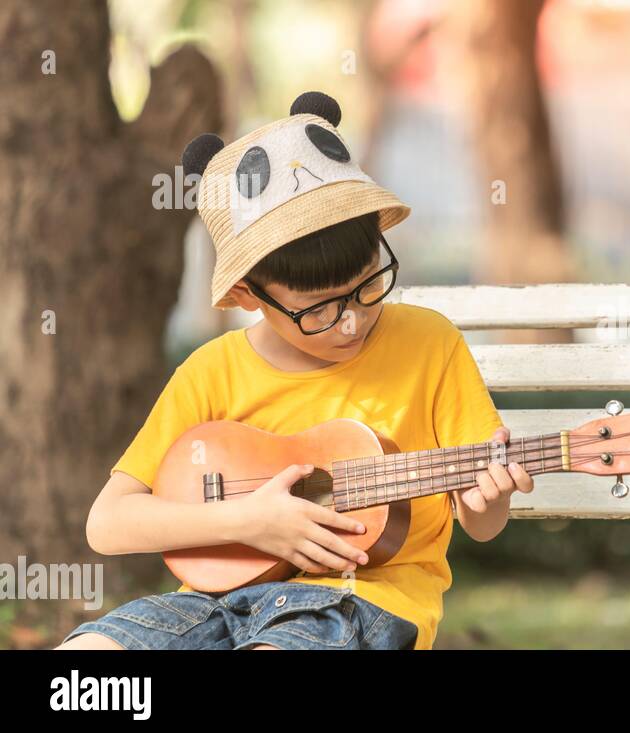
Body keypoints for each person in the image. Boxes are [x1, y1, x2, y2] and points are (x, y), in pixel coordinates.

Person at [57, 91, 531, 650]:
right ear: (246, 294)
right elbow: (108, 524)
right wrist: (250, 523)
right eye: (318, 310)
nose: (351, 322)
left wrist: (490, 499)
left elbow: (482, 521)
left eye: (366, 286)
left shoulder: (430, 344)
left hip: (358, 605)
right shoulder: (213, 372)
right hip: (209, 607)